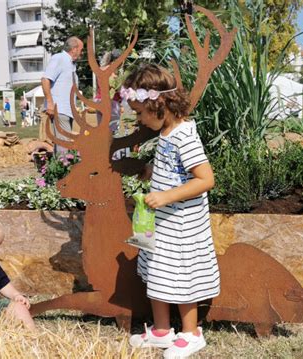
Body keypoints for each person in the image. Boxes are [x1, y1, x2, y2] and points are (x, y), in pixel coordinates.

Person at [121, 64, 220, 359]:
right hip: (163, 223)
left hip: (182, 225)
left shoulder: (184, 136)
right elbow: (174, 170)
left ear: (158, 104)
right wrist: (151, 171)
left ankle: (191, 334)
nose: (138, 119)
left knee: (181, 275)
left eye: (140, 113)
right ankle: (163, 330)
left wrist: (165, 196)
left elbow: (205, 179)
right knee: (157, 271)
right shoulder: (166, 133)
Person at [41, 36, 83, 153]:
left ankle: (59, 168)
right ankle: (64, 170)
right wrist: (50, 103)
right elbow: (45, 80)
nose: (81, 53)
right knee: (64, 146)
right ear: (74, 49)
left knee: (62, 143)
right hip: (60, 109)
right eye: (81, 49)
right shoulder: (59, 58)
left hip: (67, 110)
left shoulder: (70, 63)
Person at [94, 49, 123, 133]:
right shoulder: (115, 73)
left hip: (99, 100)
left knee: (101, 131)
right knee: (113, 132)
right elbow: (115, 89)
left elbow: (99, 87)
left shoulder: (101, 69)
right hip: (111, 103)